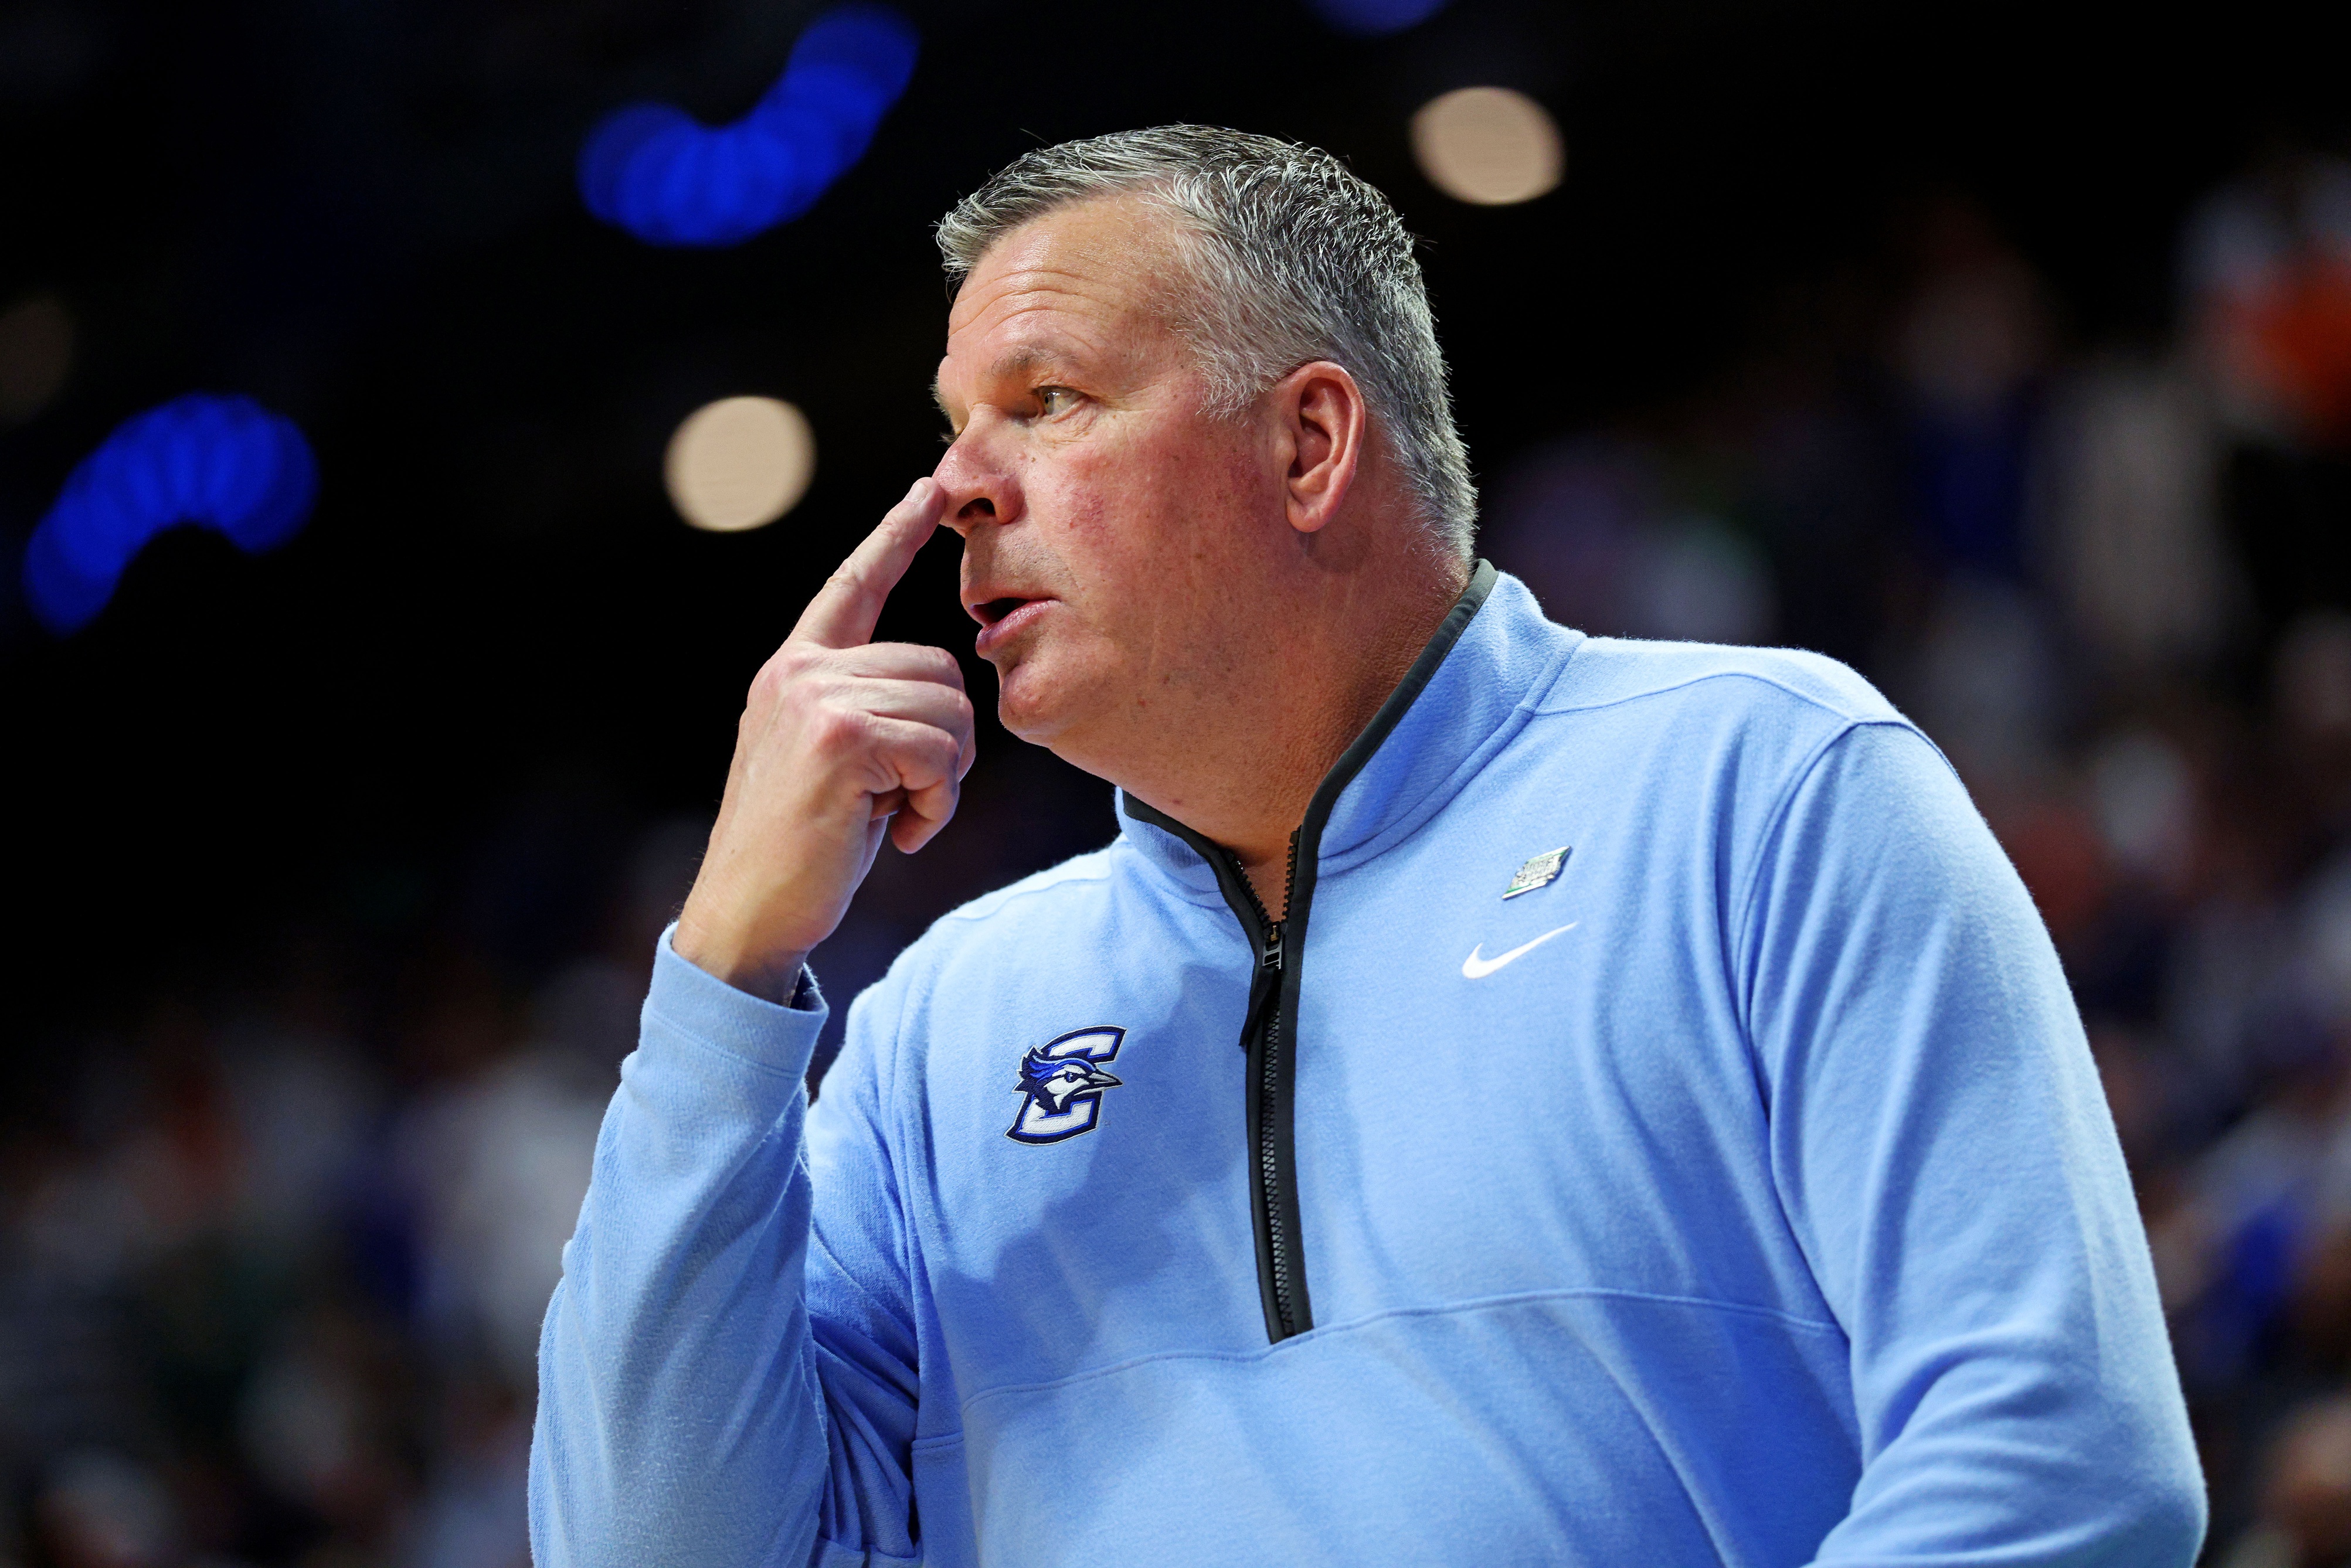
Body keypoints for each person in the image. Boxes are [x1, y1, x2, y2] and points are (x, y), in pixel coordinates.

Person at [529, 126, 2206, 1566]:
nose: (956, 486)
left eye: (1043, 400)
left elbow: (2053, 1456)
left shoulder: (1756, 787)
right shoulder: (931, 1038)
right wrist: (722, 981)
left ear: (1308, 443)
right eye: (954, 425)